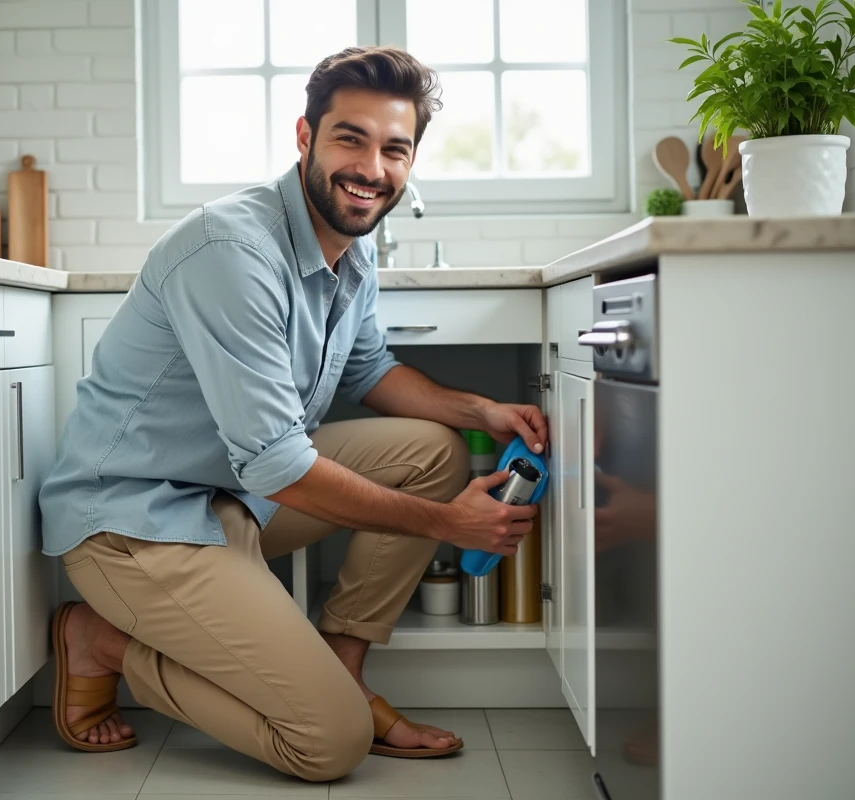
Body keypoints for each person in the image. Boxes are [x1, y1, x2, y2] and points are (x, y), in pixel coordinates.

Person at [38, 45, 548, 782]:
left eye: (394, 149)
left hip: (231, 498)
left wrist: (480, 410)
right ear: (305, 137)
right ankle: (100, 641)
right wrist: (445, 524)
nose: (371, 168)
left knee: (434, 449)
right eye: (351, 138)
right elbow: (279, 463)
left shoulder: (350, 242)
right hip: (134, 521)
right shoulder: (231, 250)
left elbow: (369, 368)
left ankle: (346, 674)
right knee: (328, 745)